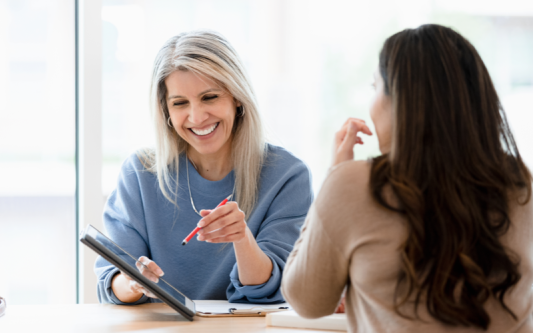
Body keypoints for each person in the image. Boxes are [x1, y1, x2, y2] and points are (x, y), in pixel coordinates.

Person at [282, 24, 533, 332]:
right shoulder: (519, 183)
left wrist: (334, 177)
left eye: (375, 87)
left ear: (400, 99)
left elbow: (307, 301)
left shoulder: (353, 184)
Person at [95, 30, 312, 305]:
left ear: (236, 97)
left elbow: (271, 289)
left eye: (209, 97)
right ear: (166, 111)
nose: (196, 117)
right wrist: (132, 281)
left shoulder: (287, 177)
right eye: (180, 103)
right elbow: (111, 282)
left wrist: (242, 238)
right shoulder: (139, 173)